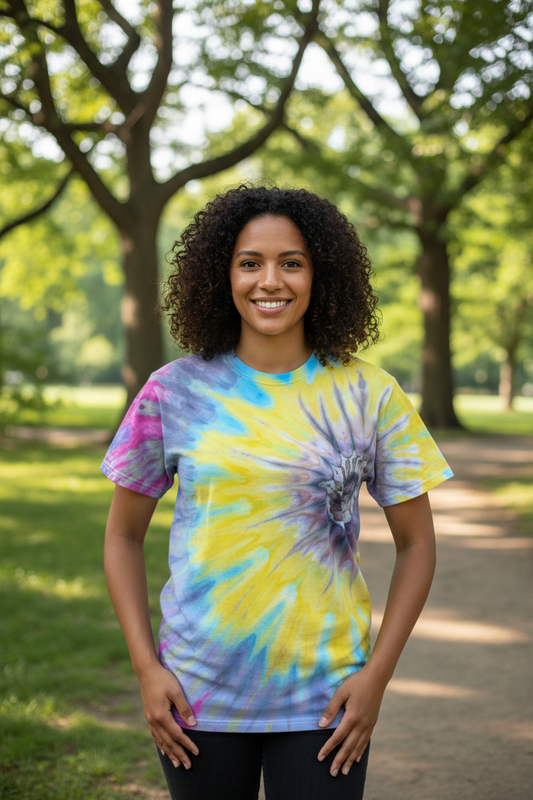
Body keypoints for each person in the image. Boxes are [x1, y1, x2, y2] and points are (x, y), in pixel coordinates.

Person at [101, 185, 452, 800]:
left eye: (292, 262)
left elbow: (418, 544)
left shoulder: (369, 394)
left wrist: (375, 679)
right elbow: (123, 535)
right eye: (249, 263)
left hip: (325, 696)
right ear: (223, 274)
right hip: (196, 692)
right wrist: (145, 668)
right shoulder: (173, 392)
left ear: (321, 275)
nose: (271, 281)